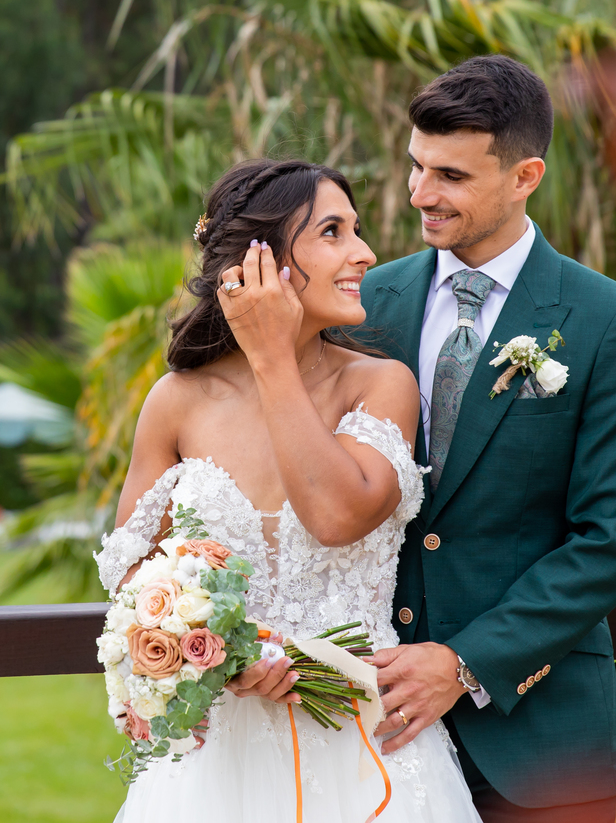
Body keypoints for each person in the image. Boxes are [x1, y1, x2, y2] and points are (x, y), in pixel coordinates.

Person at [94, 159, 482, 823]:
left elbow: (335, 516)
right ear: (260, 263)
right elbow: (134, 581)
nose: (365, 253)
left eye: (355, 229)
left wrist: (272, 357)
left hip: (368, 746)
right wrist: (221, 656)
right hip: (215, 765)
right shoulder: (176, 401)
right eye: (333, 232)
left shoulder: (380, 385)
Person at [364, 55, 616, 820]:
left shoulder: (610, 322)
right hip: (372, 737)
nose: (420, 194)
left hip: (540, 747)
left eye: (451, 176)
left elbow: (612, 537)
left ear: (525, 176)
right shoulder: (366, 302)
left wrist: (465, 664)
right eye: (416, 166)